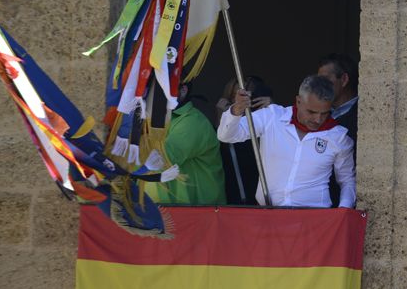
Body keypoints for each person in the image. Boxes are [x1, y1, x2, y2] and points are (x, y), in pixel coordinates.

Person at [218, 74, 355, 208]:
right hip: (268, 215)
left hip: (314, 220)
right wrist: (236, 110)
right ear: (298, 101)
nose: (318, 119)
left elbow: (347, 181)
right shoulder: (272, 116)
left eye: (324, 113)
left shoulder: (338, 136)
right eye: (311, 112)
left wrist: (343, 211)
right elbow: (226, 136)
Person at [147, 88, 226, 205]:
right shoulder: (154, 118)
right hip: (159, 211)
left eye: (161, 85)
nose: (151, 93)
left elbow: (161, 159)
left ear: (183, 90)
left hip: (198, 214)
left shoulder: (193, 121)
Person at [216, 75, 271, 205]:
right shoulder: (229, 117)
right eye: (233, 98)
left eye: (246, 99)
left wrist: (271, 108)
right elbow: (224, 136)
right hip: (234, 183)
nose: (239, 104)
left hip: (260, 184)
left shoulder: (264, 119)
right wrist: (226, 114)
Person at [318, 52, 359, 139]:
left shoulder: (363, 115)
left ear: (344, 80)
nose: (319, 85)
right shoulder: (317, 113)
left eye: (324, 80)